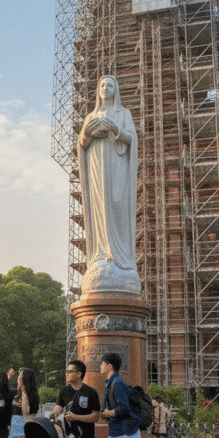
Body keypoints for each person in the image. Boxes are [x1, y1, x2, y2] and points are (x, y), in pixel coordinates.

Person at [77, 75, 139, 293]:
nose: (105, 88)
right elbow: (82, 143)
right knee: (99, 208)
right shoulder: (91, 116)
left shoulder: (124, 114)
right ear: (98, 90)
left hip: (117, 163)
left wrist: (116, 130)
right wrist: (87, 132)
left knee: (116, 202)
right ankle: (101, 254)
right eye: (102, 85)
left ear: (116, 90)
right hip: (96, 166)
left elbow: (133, 139)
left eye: (110, 85)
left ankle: (119, 257)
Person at [50, 361, 100, 438]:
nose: (67, 374)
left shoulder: (91, 392)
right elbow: (59, 406)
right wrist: (54, 412)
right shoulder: (64, 391)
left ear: (79, 374)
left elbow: (95, 417)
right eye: (66, 372)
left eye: (70, 372)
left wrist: (76, 417)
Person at [99, 353, 139, 438]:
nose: (100, 366)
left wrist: (108, 413)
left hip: (126, 434)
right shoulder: (110, 382)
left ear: (110, 366)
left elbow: (124, 408)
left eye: (102, 364)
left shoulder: (117, 383)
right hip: (115, 433)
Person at [7, 368, 39, 438]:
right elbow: (3, 390)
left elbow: (26, 412)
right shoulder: (16, 394)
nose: (18, 379)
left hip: (24, 433)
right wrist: (9, 377)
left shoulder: (32, 395)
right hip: (13, 432)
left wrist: (23, 388)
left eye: (20, 376)